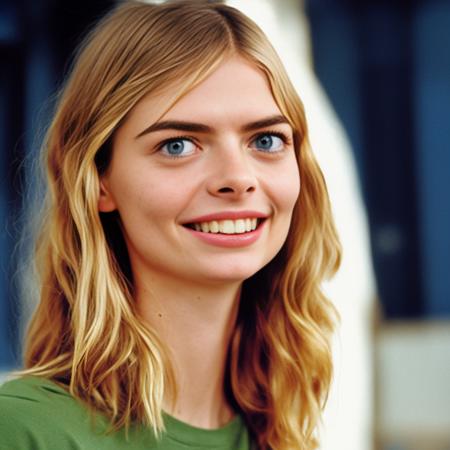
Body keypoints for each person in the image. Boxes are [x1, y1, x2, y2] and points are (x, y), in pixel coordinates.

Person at [0, 1, 341, 449]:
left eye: (265, 140)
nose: (237, 178)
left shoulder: (284, 432)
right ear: (98, 179)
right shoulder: (25, 429)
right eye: (178, 145)